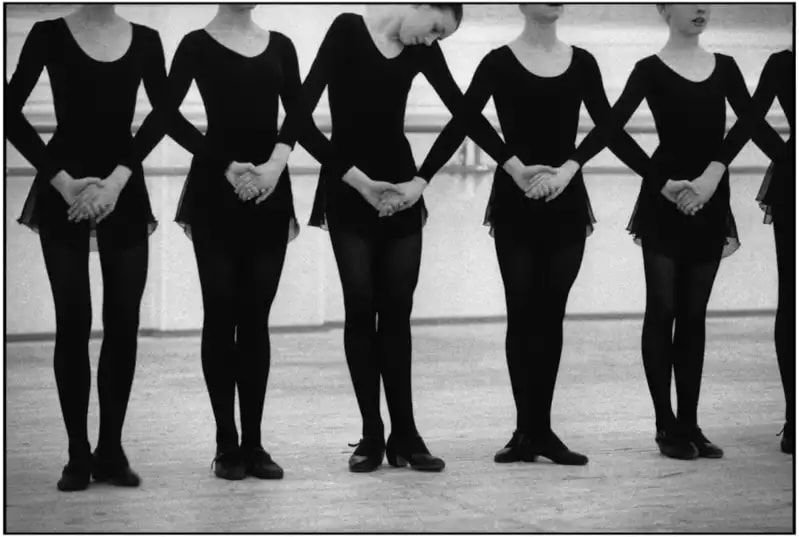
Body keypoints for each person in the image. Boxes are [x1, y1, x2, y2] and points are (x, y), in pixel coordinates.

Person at [295, 4, 541, 472]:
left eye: (441, 38)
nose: (432, 41)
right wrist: (360, 183)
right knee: (360, 307)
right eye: (434, 28)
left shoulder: (419, 48)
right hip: (351, 190)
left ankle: (405, 435)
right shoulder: (347, 29)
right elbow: (301, 116)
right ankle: (371, 434)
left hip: (402, 192)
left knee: (397, 313)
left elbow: (466, 113)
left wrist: (425, 180)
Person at [415, 3, 653, 466]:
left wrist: (641, 176)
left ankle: (543, 430)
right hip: (515, 198)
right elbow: (465, 118)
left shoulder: (582, 61)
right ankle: (525, 430)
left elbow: (607, 126)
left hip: (565, 197)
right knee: (522, 314)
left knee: (551, 315)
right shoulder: (498, 62)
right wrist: (513, 166)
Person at [6, 4, 167, 490]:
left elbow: (162, 115)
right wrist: (60, 181)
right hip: (64, 188)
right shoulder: (47, 32)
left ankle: (110, 449)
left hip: (123, 188)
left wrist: (117, 182)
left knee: (123, 322)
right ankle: (78, 452)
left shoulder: (146, 38)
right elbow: (7, 110)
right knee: (73, 320)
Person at [166, 4, 307, 480]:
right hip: (215, 189)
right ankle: (226, 443)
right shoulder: (195, 44)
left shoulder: (282, 45)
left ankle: (255, 443)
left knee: (255, 318)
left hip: (268, 188)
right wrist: (227, 165)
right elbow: (168, 115)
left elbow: (298, 114)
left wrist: (274, 165)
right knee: (221, 311)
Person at [608, 3, 752, 460]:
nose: (702, 8)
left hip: (710, 196)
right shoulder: (648, 69)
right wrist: (660, 182)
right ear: (664, 9)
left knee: (694, 314)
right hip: (665, 198)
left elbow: (747, 121)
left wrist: (712, 175)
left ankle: (690, 422)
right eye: (689, 1)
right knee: (664, 308)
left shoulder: (726, 67)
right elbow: (611, 130)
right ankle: (665, 424)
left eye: (706, 1)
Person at [750, 48, 795, 454]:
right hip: (793, 190)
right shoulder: (784, 62)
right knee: (793, 299)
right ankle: (793, 417)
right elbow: (751, 117)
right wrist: (787, 158)